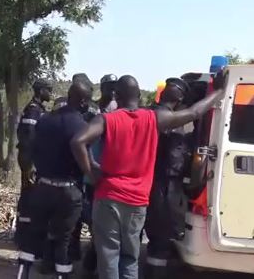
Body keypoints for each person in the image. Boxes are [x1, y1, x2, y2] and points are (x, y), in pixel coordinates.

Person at [71, 74, 225, 279]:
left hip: (108, 197)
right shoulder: (154, 119)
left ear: (117, 95)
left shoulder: (107, 119)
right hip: (137, 201)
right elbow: (195, 111)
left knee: (108, 255)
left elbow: (78, 141)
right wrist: (220, 92)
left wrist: (90, 171)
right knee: (130, 258)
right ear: (138, 95)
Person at [17, 81, 93, 279]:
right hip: (68, 192)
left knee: (33, 237)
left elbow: (31, 149)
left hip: (42, 188)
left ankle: (22, 274)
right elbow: (85, 162)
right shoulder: (83, 127)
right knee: (63, 242)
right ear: (84, 101)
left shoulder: (44, 120)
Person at [144, 78, 191, 279]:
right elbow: (175, 161)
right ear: (180, 98)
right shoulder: (173, 120)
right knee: (160, 238)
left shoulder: (149, 114)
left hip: (149, 181)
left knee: (153, 235)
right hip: (165, 185)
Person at [14, 78, 53, 271]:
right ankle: (25, 241)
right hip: (30, 163)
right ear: (40, 91)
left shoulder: (39, 109)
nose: (51, 93)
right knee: (29, 203)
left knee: (31, 201)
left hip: (33, 162)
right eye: (49, 90)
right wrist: (28, 168)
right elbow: (28, 140)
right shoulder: (33, 111)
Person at [82, 74, 118, 277]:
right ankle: (89, 266)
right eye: (109, 86)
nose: (112, 91)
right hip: (91, 176)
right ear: (102, 88)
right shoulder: (91, 111)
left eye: (115, 87)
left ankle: (92, 265)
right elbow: (83, 140)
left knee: (105, 226)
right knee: (94, 223)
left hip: (110, 176)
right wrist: (90, 164)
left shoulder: (118, 110)